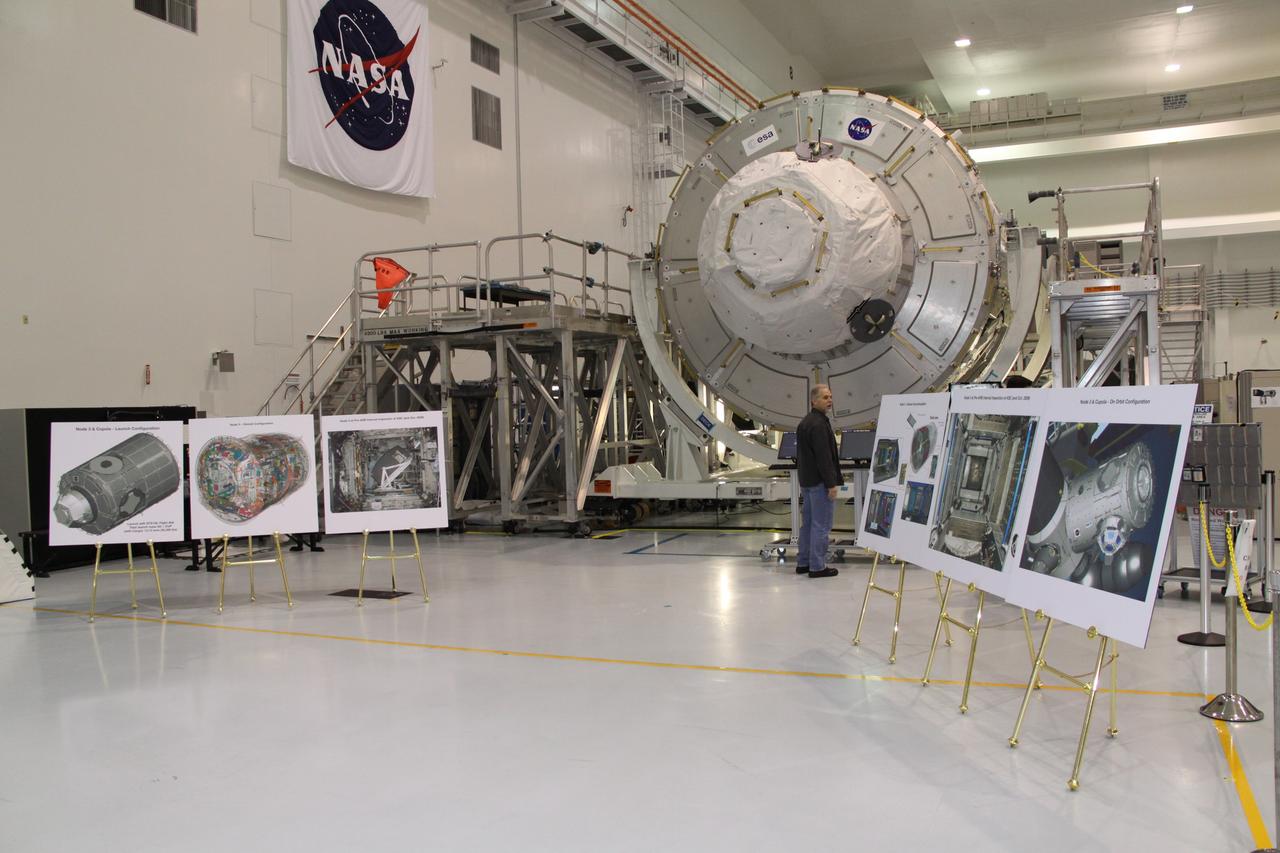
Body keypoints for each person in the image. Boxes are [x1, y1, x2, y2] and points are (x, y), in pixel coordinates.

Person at [795, 384, 843, 578]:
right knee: (821, 525)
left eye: (830, 397)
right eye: (825, 397)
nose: (829, 400)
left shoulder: (805, 422)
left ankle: (803, 563)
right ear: (813, 401)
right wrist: (831, 484)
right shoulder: (819, 425)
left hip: (807, 481)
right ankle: (817, 566)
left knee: (808, 524)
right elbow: (824, 458)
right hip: (819, 483)